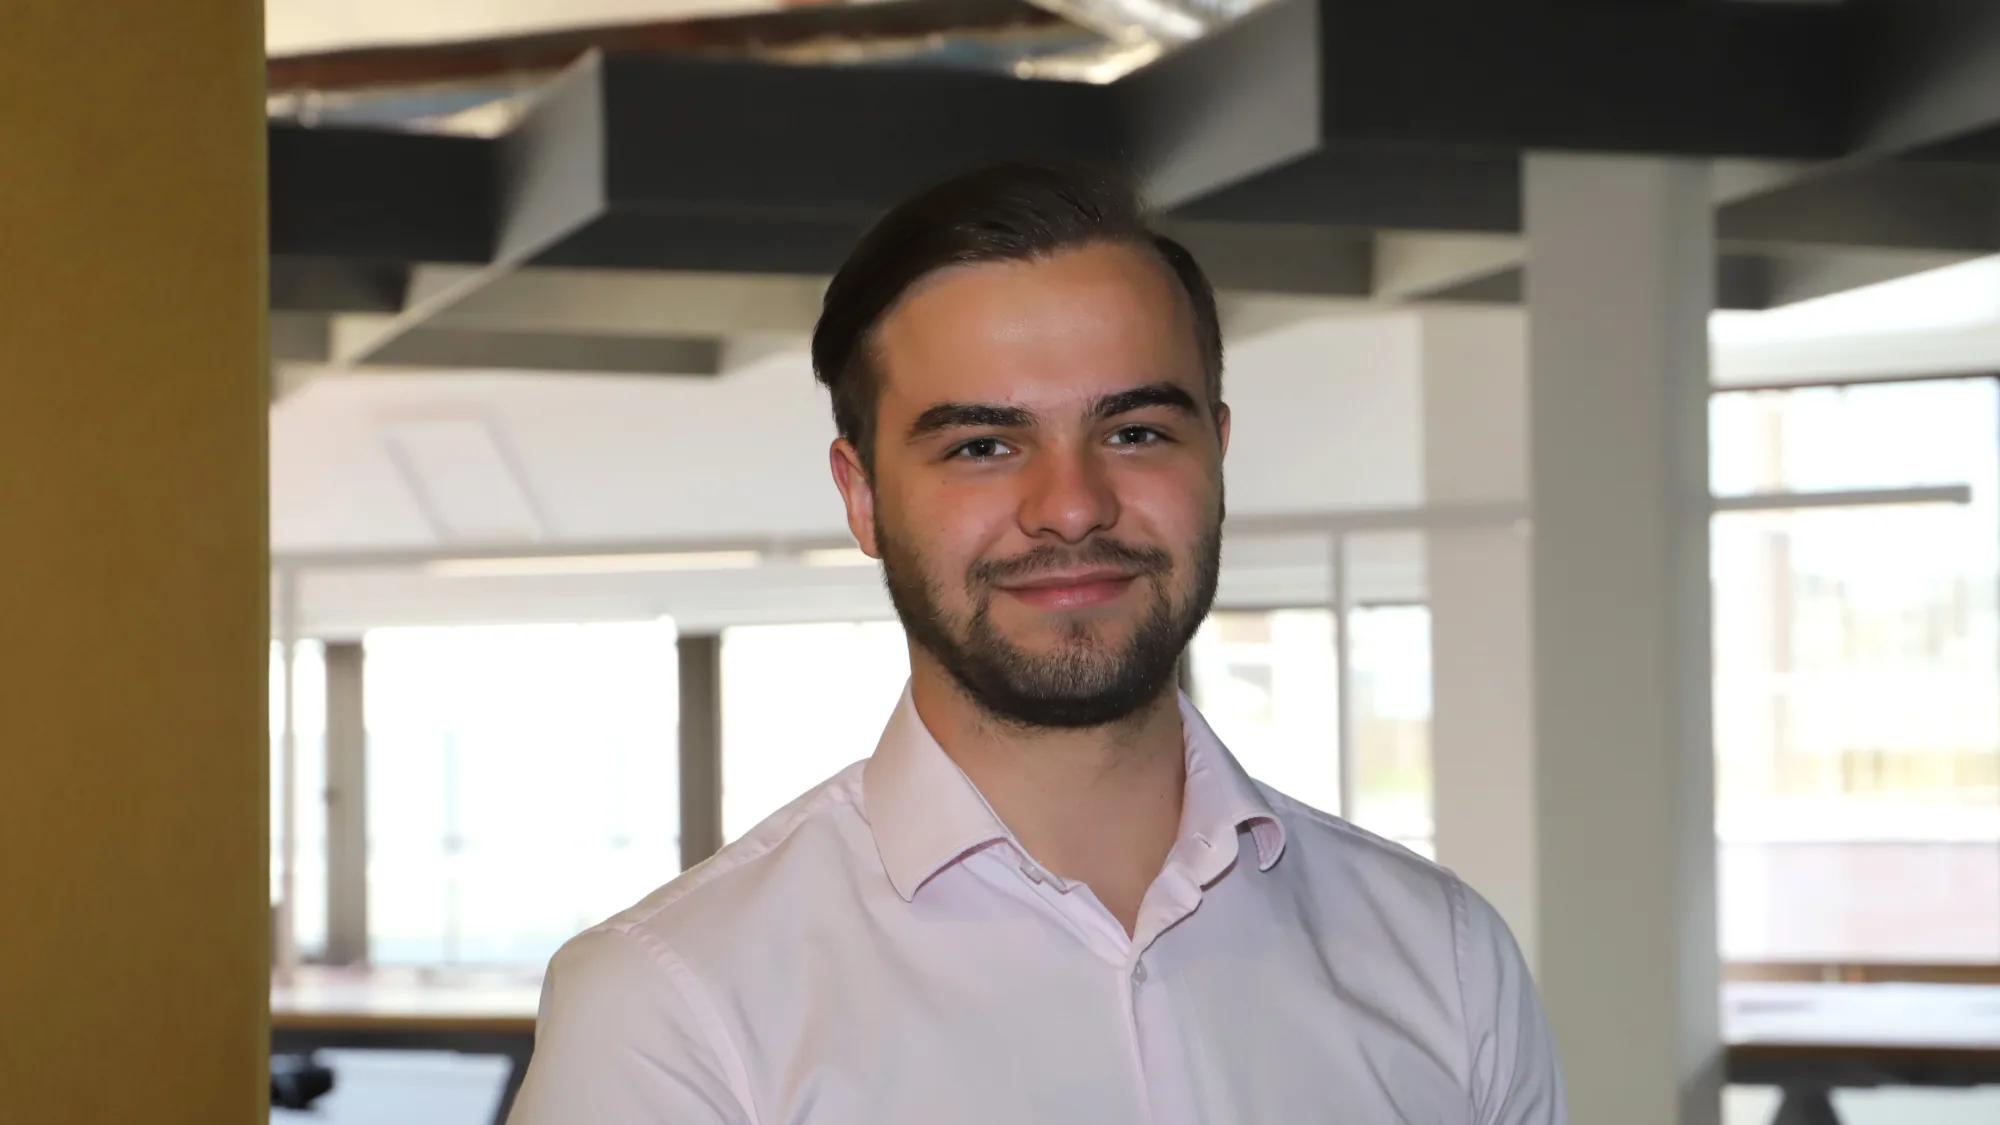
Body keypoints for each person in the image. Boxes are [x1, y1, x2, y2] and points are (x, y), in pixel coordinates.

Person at [508, 163, 1565, 1125]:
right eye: (982, 445)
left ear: (1216, 455)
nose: (1070, 506)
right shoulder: (675, 1010)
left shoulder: (1443, 960)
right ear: (862, 496)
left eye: (1135, 432)